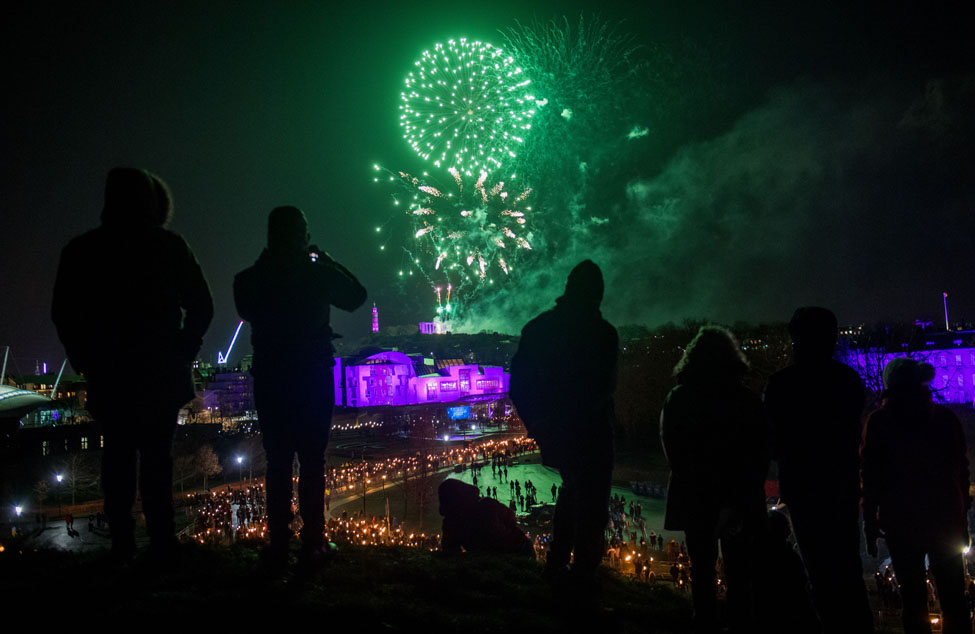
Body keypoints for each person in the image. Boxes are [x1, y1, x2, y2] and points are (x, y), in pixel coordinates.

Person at [52, 168, 213, 560]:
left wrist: (87, 362)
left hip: (111, 372)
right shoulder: (170, 246)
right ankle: (162, 543)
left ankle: (122, 543)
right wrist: (181, 352)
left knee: (117, 460)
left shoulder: (83, 249)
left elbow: (63, 313)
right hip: (161, 371)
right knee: (158, 460)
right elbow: (202, 306)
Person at [234, 206, 365, 569]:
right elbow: (356, 296)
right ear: (303, 236)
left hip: (273, 378)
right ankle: (313, 542)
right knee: (312, 461)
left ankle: (278, 542)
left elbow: (246, 307)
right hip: (311, 376)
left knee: (277, 461)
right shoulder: (316, 273)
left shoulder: (248, 279)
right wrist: (325, 258)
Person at [509, 260, 619, 591]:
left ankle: (558, 566)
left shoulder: (539, 328)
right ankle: (583, 574)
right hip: (592, 431)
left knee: (572, 494)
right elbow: (605, 387)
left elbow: (519, 385)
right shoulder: (603, 333)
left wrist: (539, 424)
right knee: (592, 504)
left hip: (558, 429)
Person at [764, 307, 873, 633]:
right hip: (841, 484)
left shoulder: (781, 384)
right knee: (848, 568)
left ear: (795, 339)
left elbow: (772, 442)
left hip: (803, 486)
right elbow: (852, 434)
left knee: (819, 570)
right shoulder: (848, 380)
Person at [660, 326, 769, 633]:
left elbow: (675, 451)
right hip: (740, 498)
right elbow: (758, 454)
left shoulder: (679, 397)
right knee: (739, 574)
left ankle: (704, 621)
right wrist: (736, 500)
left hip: (697, 496)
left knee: (703, 570)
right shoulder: (746, 399)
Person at [862, 359, 971, 634]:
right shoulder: (946, 419)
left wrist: (870, 522)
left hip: (901, 522)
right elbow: (962, 471)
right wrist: (962, 519)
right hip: (945, 517)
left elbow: (871, 475)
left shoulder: (879, 423)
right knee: (954, 601)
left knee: (913, 603)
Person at [438, 479, 534, 557]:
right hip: (516, 547)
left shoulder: (451, 523)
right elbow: (511, 518)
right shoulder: (486, 504)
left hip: (497, 556)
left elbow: (450, 551)